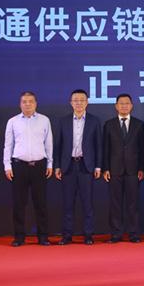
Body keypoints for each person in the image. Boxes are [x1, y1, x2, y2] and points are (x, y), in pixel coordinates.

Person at [3, 91, 53, 247]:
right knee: (19, 204)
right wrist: (7, 165)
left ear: (36, 103)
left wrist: (50, 164)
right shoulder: (12, 122)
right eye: (24, 102)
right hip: (19, 166)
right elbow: (8, 145)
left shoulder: (44, 120)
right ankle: (19, 237)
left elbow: (49, 144)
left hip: (39, 166)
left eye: (31, 101)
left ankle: (43, 237)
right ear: (20, 104)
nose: (27, 104)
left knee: (41, 203)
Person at [54, 89, 102, 245]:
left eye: (82, 100)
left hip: (86, 166)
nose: (79, 103)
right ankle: (67, 235)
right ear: (71, 103)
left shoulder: (94, 121)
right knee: (68, 203)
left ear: (87, 102)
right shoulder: (63, 121)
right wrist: (57, 166)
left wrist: (98, 166)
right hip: (68, 166)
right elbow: (58, 145)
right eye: (75, 100)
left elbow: (98, 145)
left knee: (87, 203)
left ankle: (88, 235)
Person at [102, 94, 144, 243]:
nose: (124, 106)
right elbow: (105, 148)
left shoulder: (139, 124)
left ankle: (134, 234)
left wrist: (142, 168)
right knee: (115, 204)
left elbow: (143, 149)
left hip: (134, 170)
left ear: (131, 106)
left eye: (127, 103)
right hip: (114, 170)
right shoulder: (109, 124)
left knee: (133, 204)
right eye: (121, 103)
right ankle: (116, 234)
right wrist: (106, 168)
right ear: (116, 106)